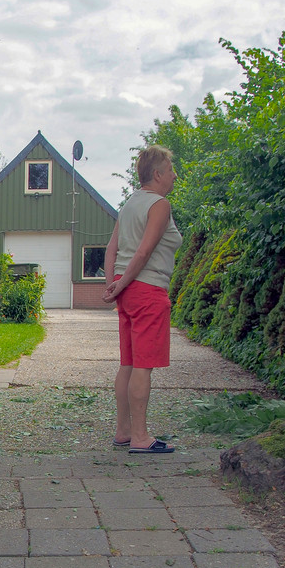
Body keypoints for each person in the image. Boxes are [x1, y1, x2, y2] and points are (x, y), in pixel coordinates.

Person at [102, 145, 183, 454]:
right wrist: (122, 282)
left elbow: (112, 249)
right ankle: (140, 437)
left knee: (128, 363)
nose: (175, 175)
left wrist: (114, 285)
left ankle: (123, 432)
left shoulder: (129, 205)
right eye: (171, 169)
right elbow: (144, 251)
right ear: (158, 174)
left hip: (128, 293)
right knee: (142, 366)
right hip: (147, 291)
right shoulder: (159, 204)